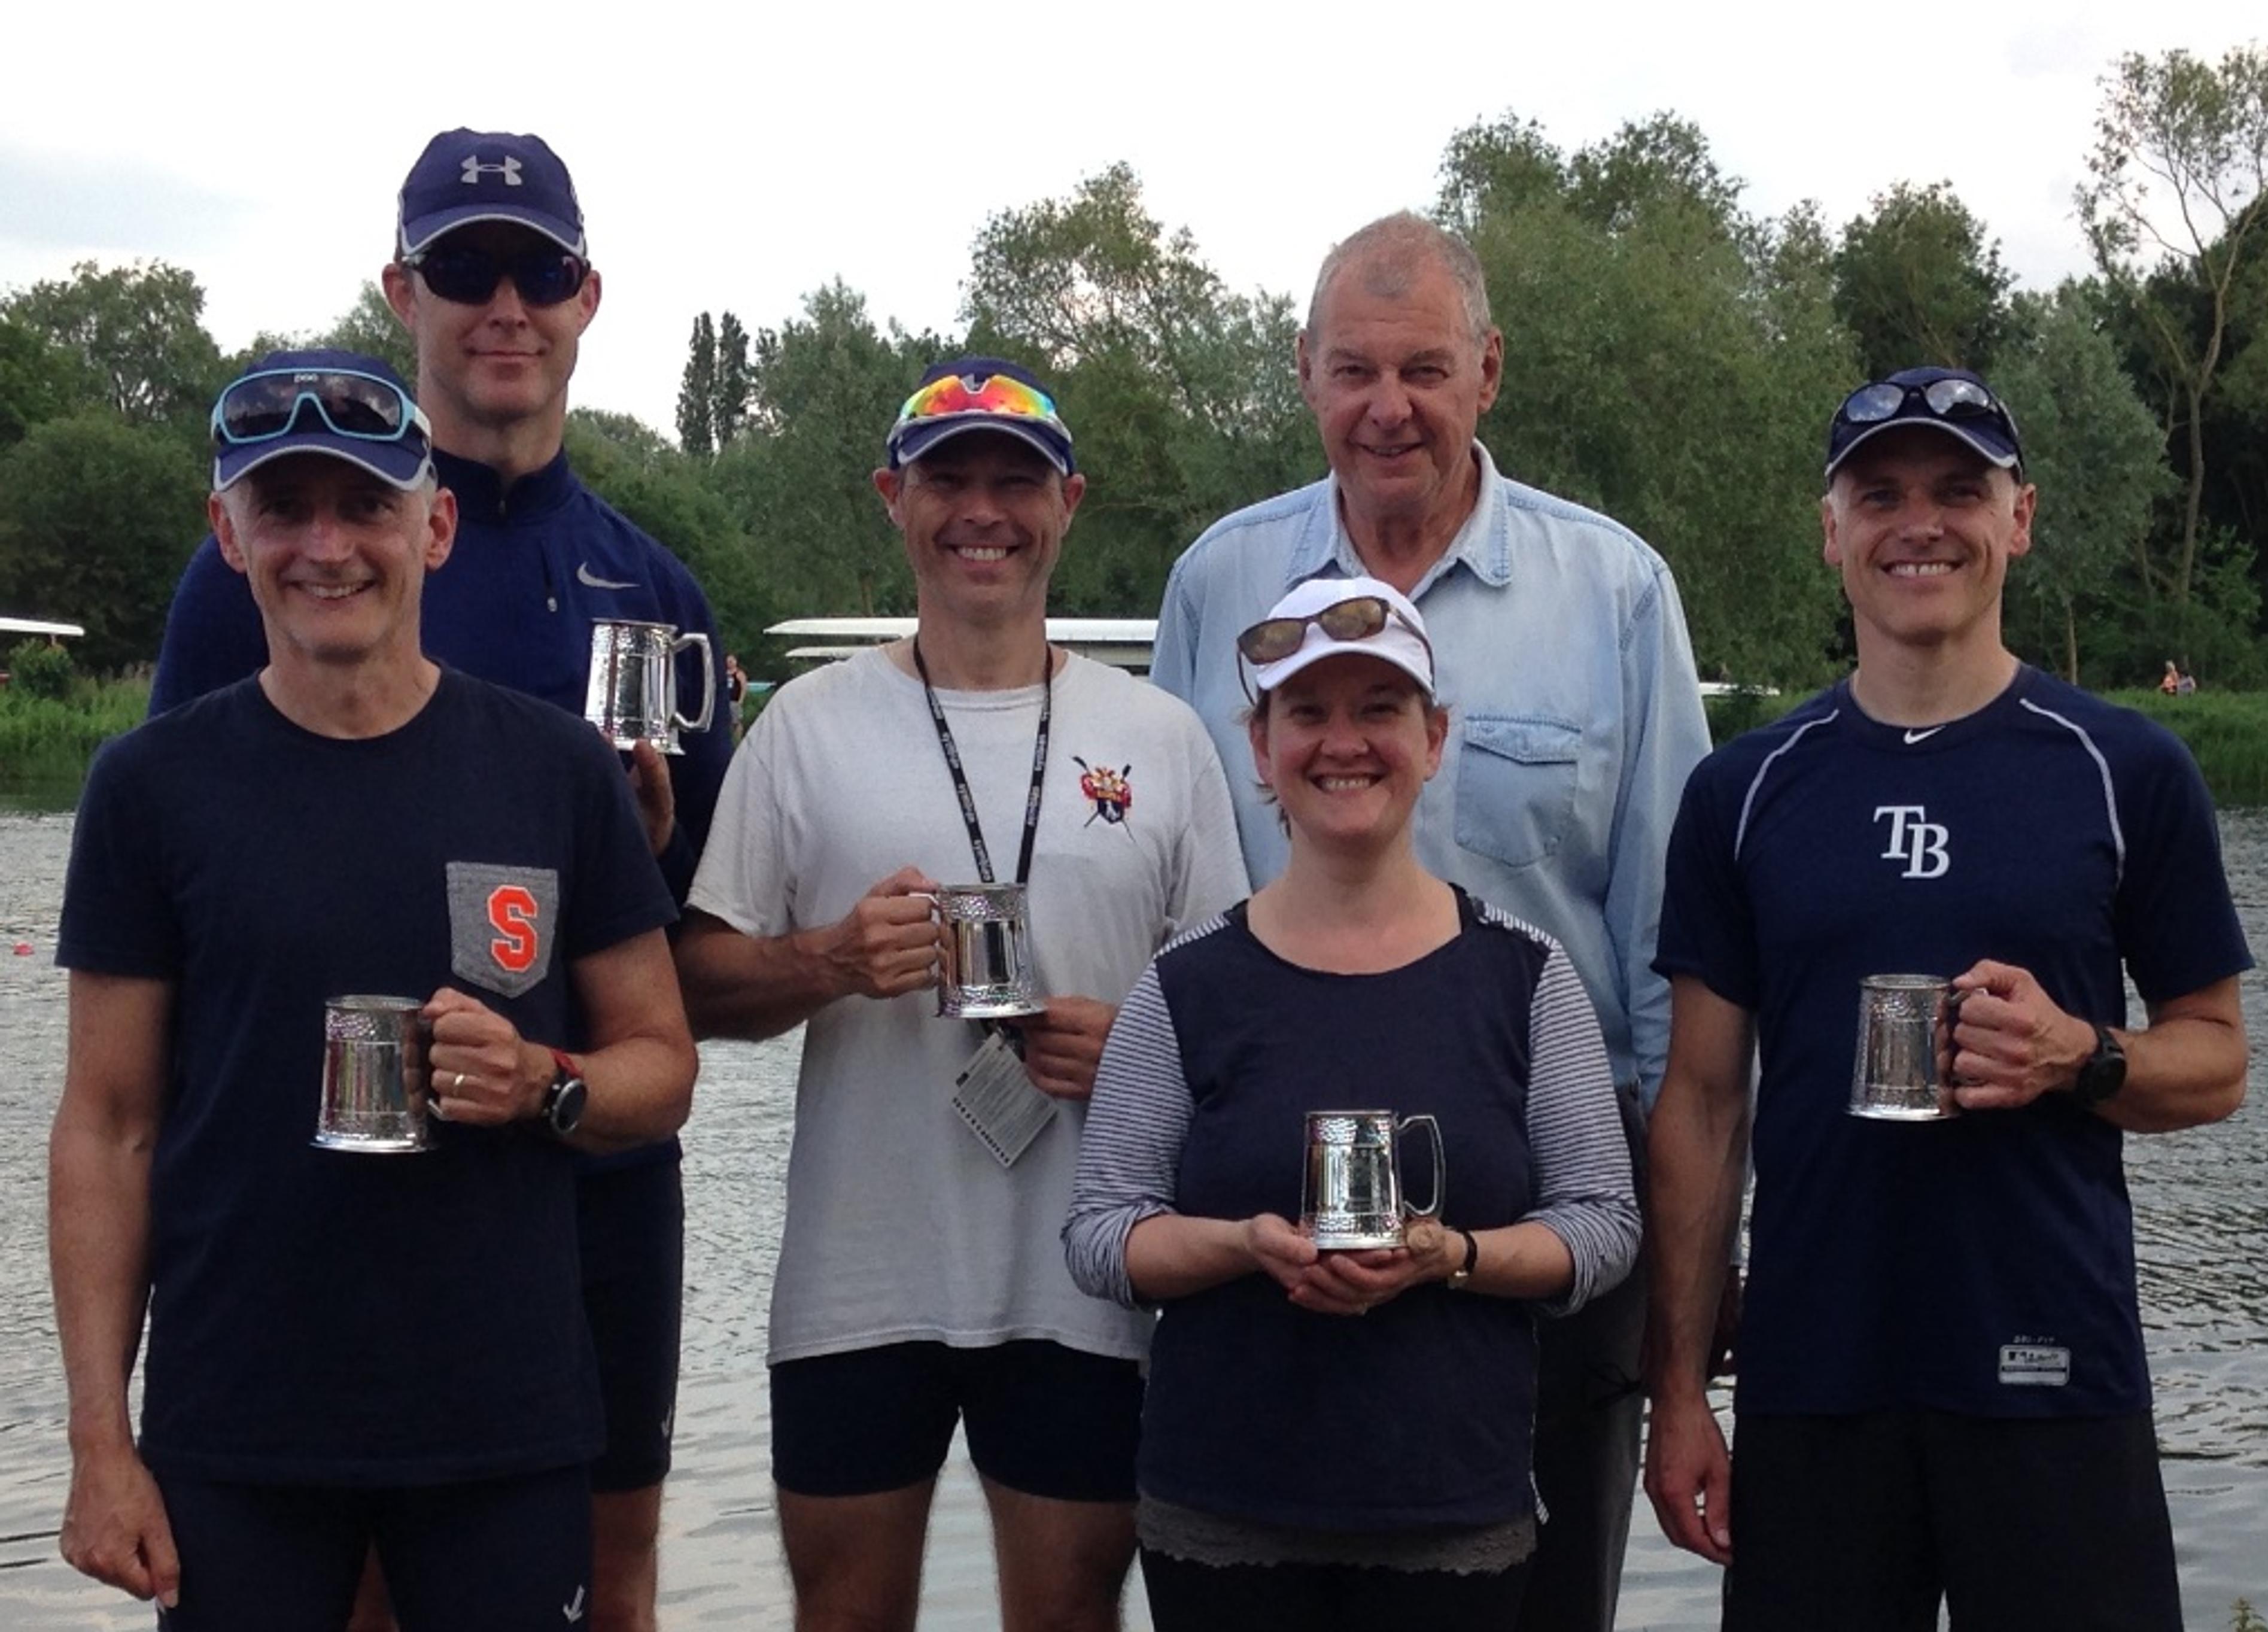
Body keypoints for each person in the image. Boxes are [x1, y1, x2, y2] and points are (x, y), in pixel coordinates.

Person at [145, 130, 729, 1632]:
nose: (504, 305)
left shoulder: (658, 589)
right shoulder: (276, 557)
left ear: (587, 294)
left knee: (615, 1582)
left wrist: (636, 852)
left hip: (590, 1181)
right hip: (331, 1207)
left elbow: (685, 959)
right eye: (465, 268)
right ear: (405, 289)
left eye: (538, 270)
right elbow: (185, 888)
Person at [1148, 212, 1709, 1631]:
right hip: (1261, 1208)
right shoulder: (1219, 583)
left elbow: (1675, 966)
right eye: (1354, 370)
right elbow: (1173, 888)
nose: (1387, 407)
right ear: (1305, 373)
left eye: (1424, 369)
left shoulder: (1616, 590)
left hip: (1546, 1203)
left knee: (1544, 1607)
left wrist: (1680, 1286)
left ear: (1489, 372)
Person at [1642, 365, 2252, 1631]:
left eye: (1958, 491)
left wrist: (2081, 1055)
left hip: (2052, 1364)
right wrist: (1682, 1389)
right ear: (1832, 531)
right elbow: (1702, 1105)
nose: (1919, 524)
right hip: (1816, 1376)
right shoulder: (1744, 790)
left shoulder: (2126, 768)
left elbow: (2219, 1062)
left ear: (2018, 518)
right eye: (1880, 496)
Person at [674, 358, 1249, 1631]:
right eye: (949, 481)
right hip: (859, 1277)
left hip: (1084, 1275)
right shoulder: (807, 726)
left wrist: (1140, 1050)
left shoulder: (1162, 737)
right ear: (894, 499)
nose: (982, 511)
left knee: (1070, 1616)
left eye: (1015, 482)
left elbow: (1238, 1023)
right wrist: (828, 961)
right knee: (845, 1617)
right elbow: (692, 989)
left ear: (1068, 505)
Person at [1068, 576, 1640, 1630]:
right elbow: (1103, 1235)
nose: (1344, 743)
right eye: (1308, 713)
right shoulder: (1185, 984)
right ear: (1260, 747)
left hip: (1452, 1512)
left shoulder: (1525, 977)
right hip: (1223, 1514)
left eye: (1380, 709)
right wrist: (1246, 1244)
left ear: (1434, 739)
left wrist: (1454, 1256)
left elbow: (1602, 1225)